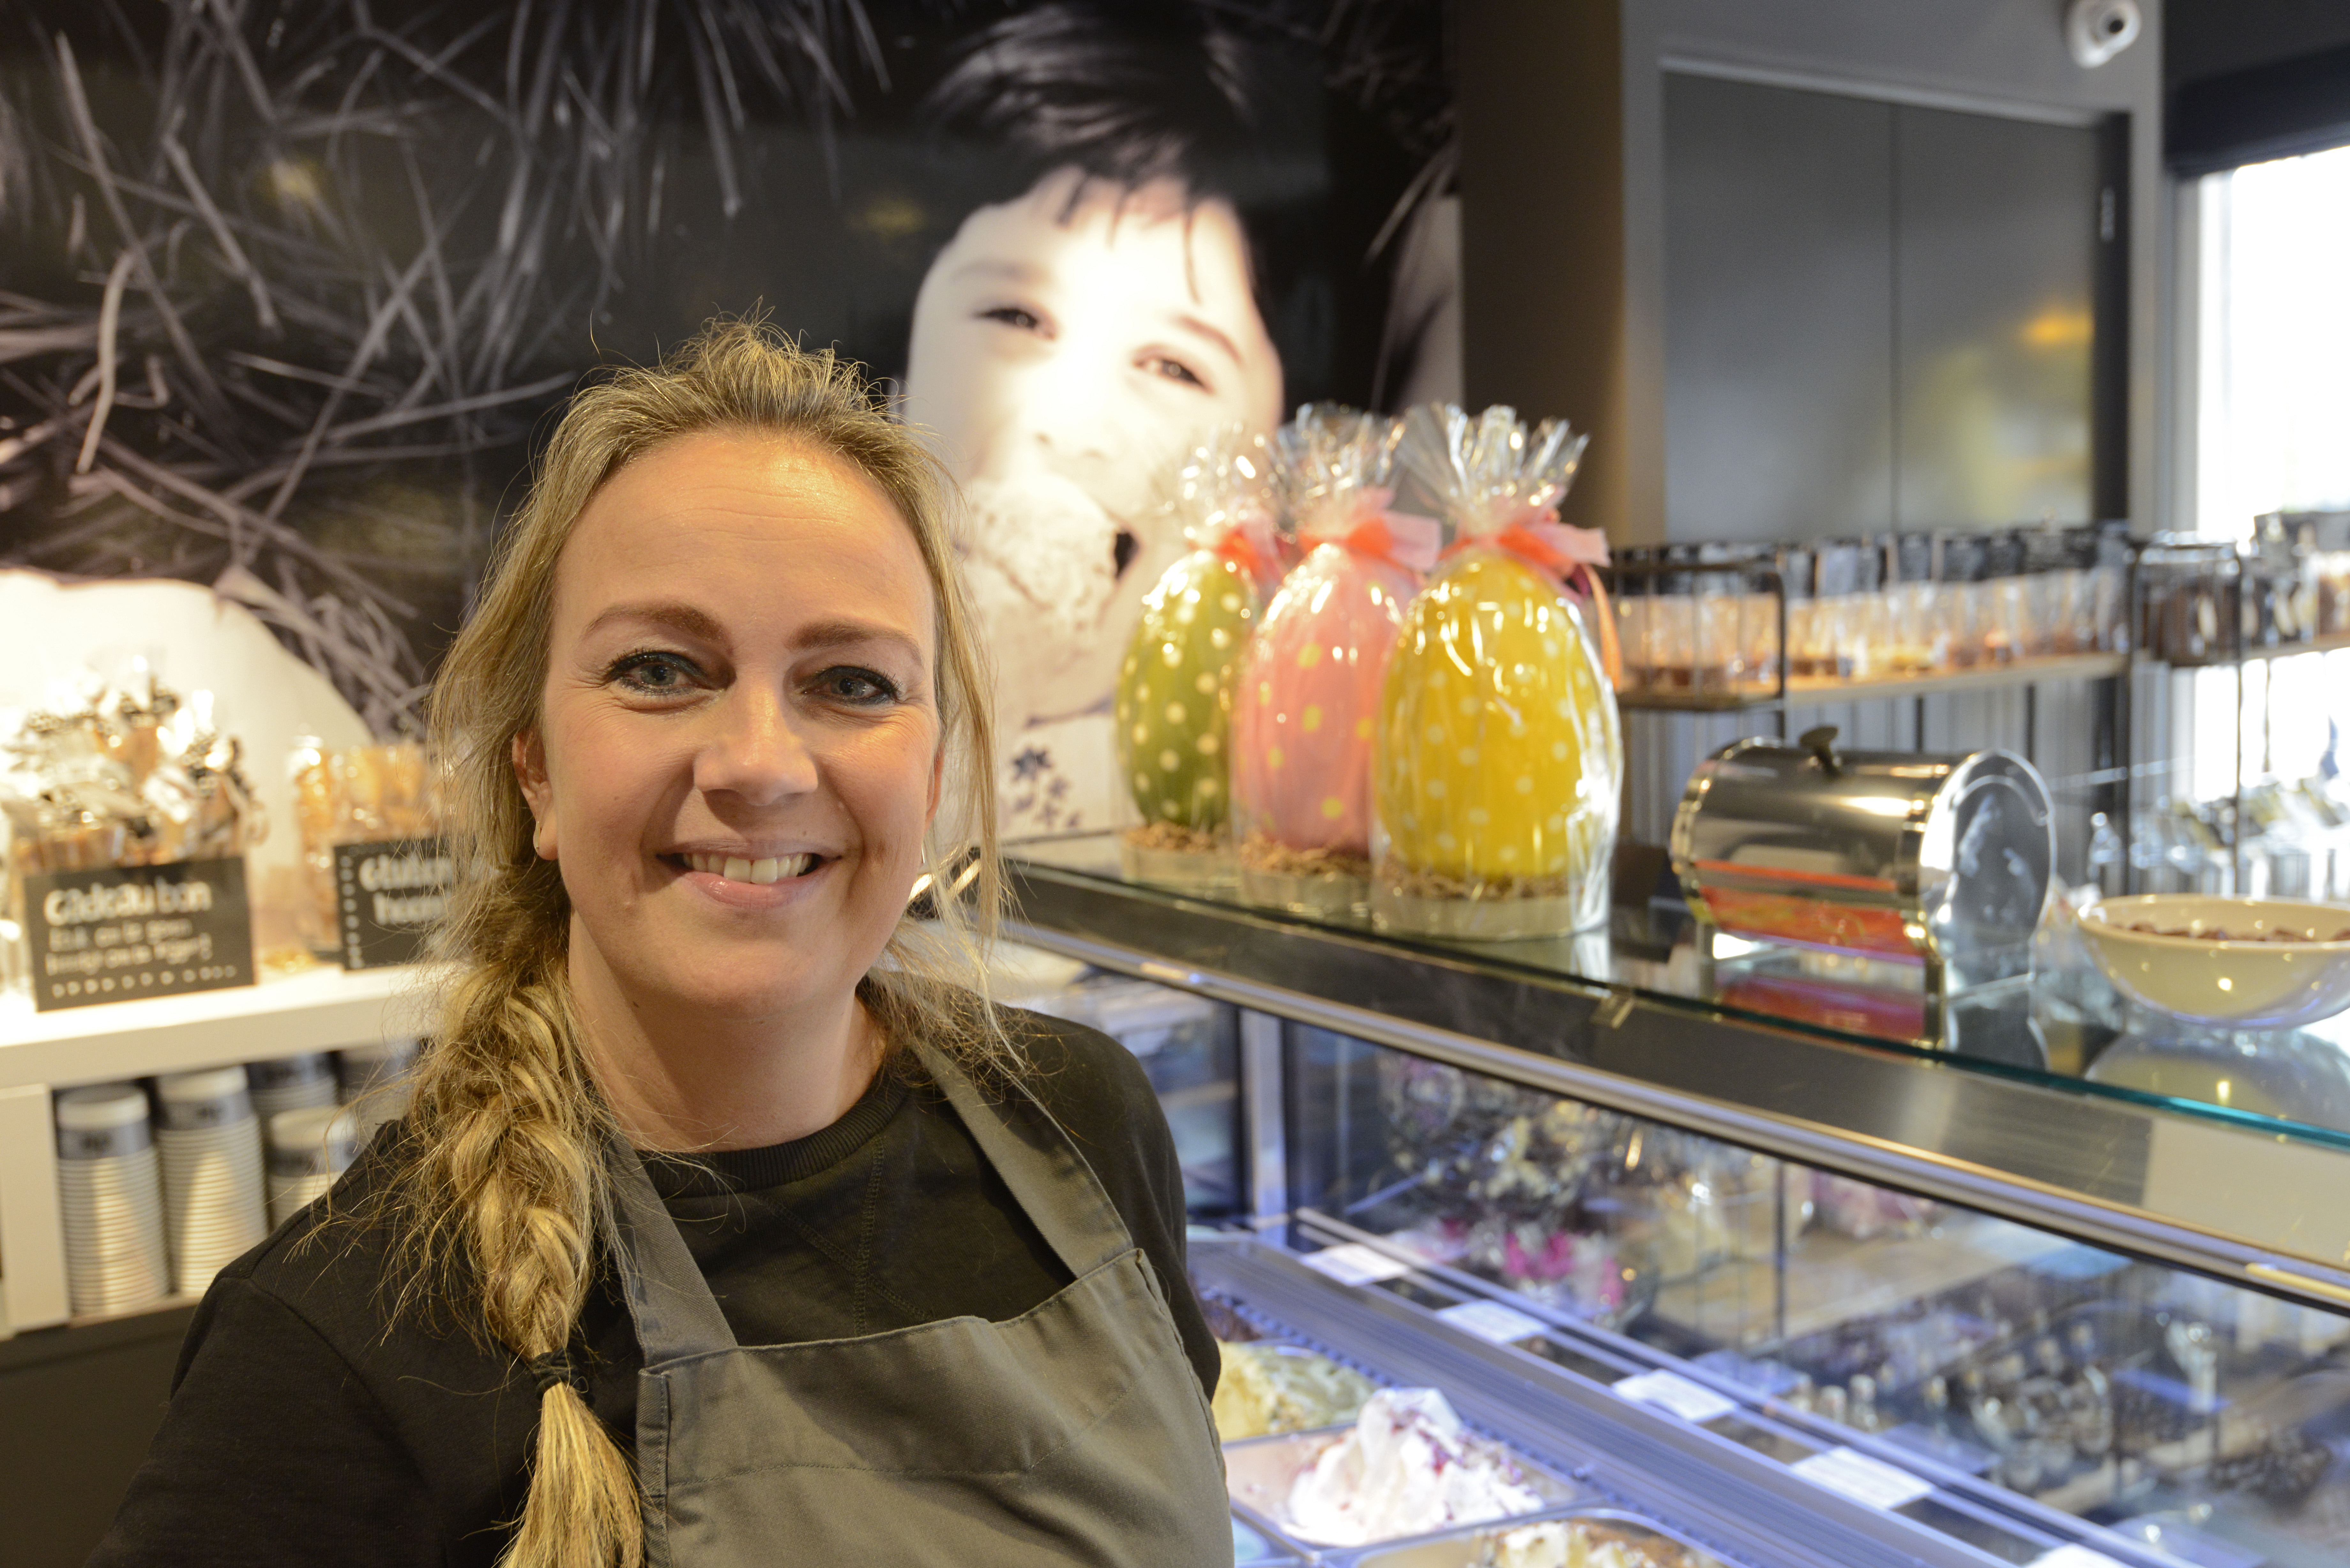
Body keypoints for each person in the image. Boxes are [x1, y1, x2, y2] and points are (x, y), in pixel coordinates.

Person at [90, 320, 1229, 1568]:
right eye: (659, 668)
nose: (757, 764)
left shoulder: (1088, 1121)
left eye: (851, 681)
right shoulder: (338, 1340)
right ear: (534, 772)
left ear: (937, 770)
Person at [901, 1, 1308, 837]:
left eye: (1174, 366)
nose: (1071, 426)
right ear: (900, 385)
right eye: (1016, 318)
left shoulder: (1252, 801)